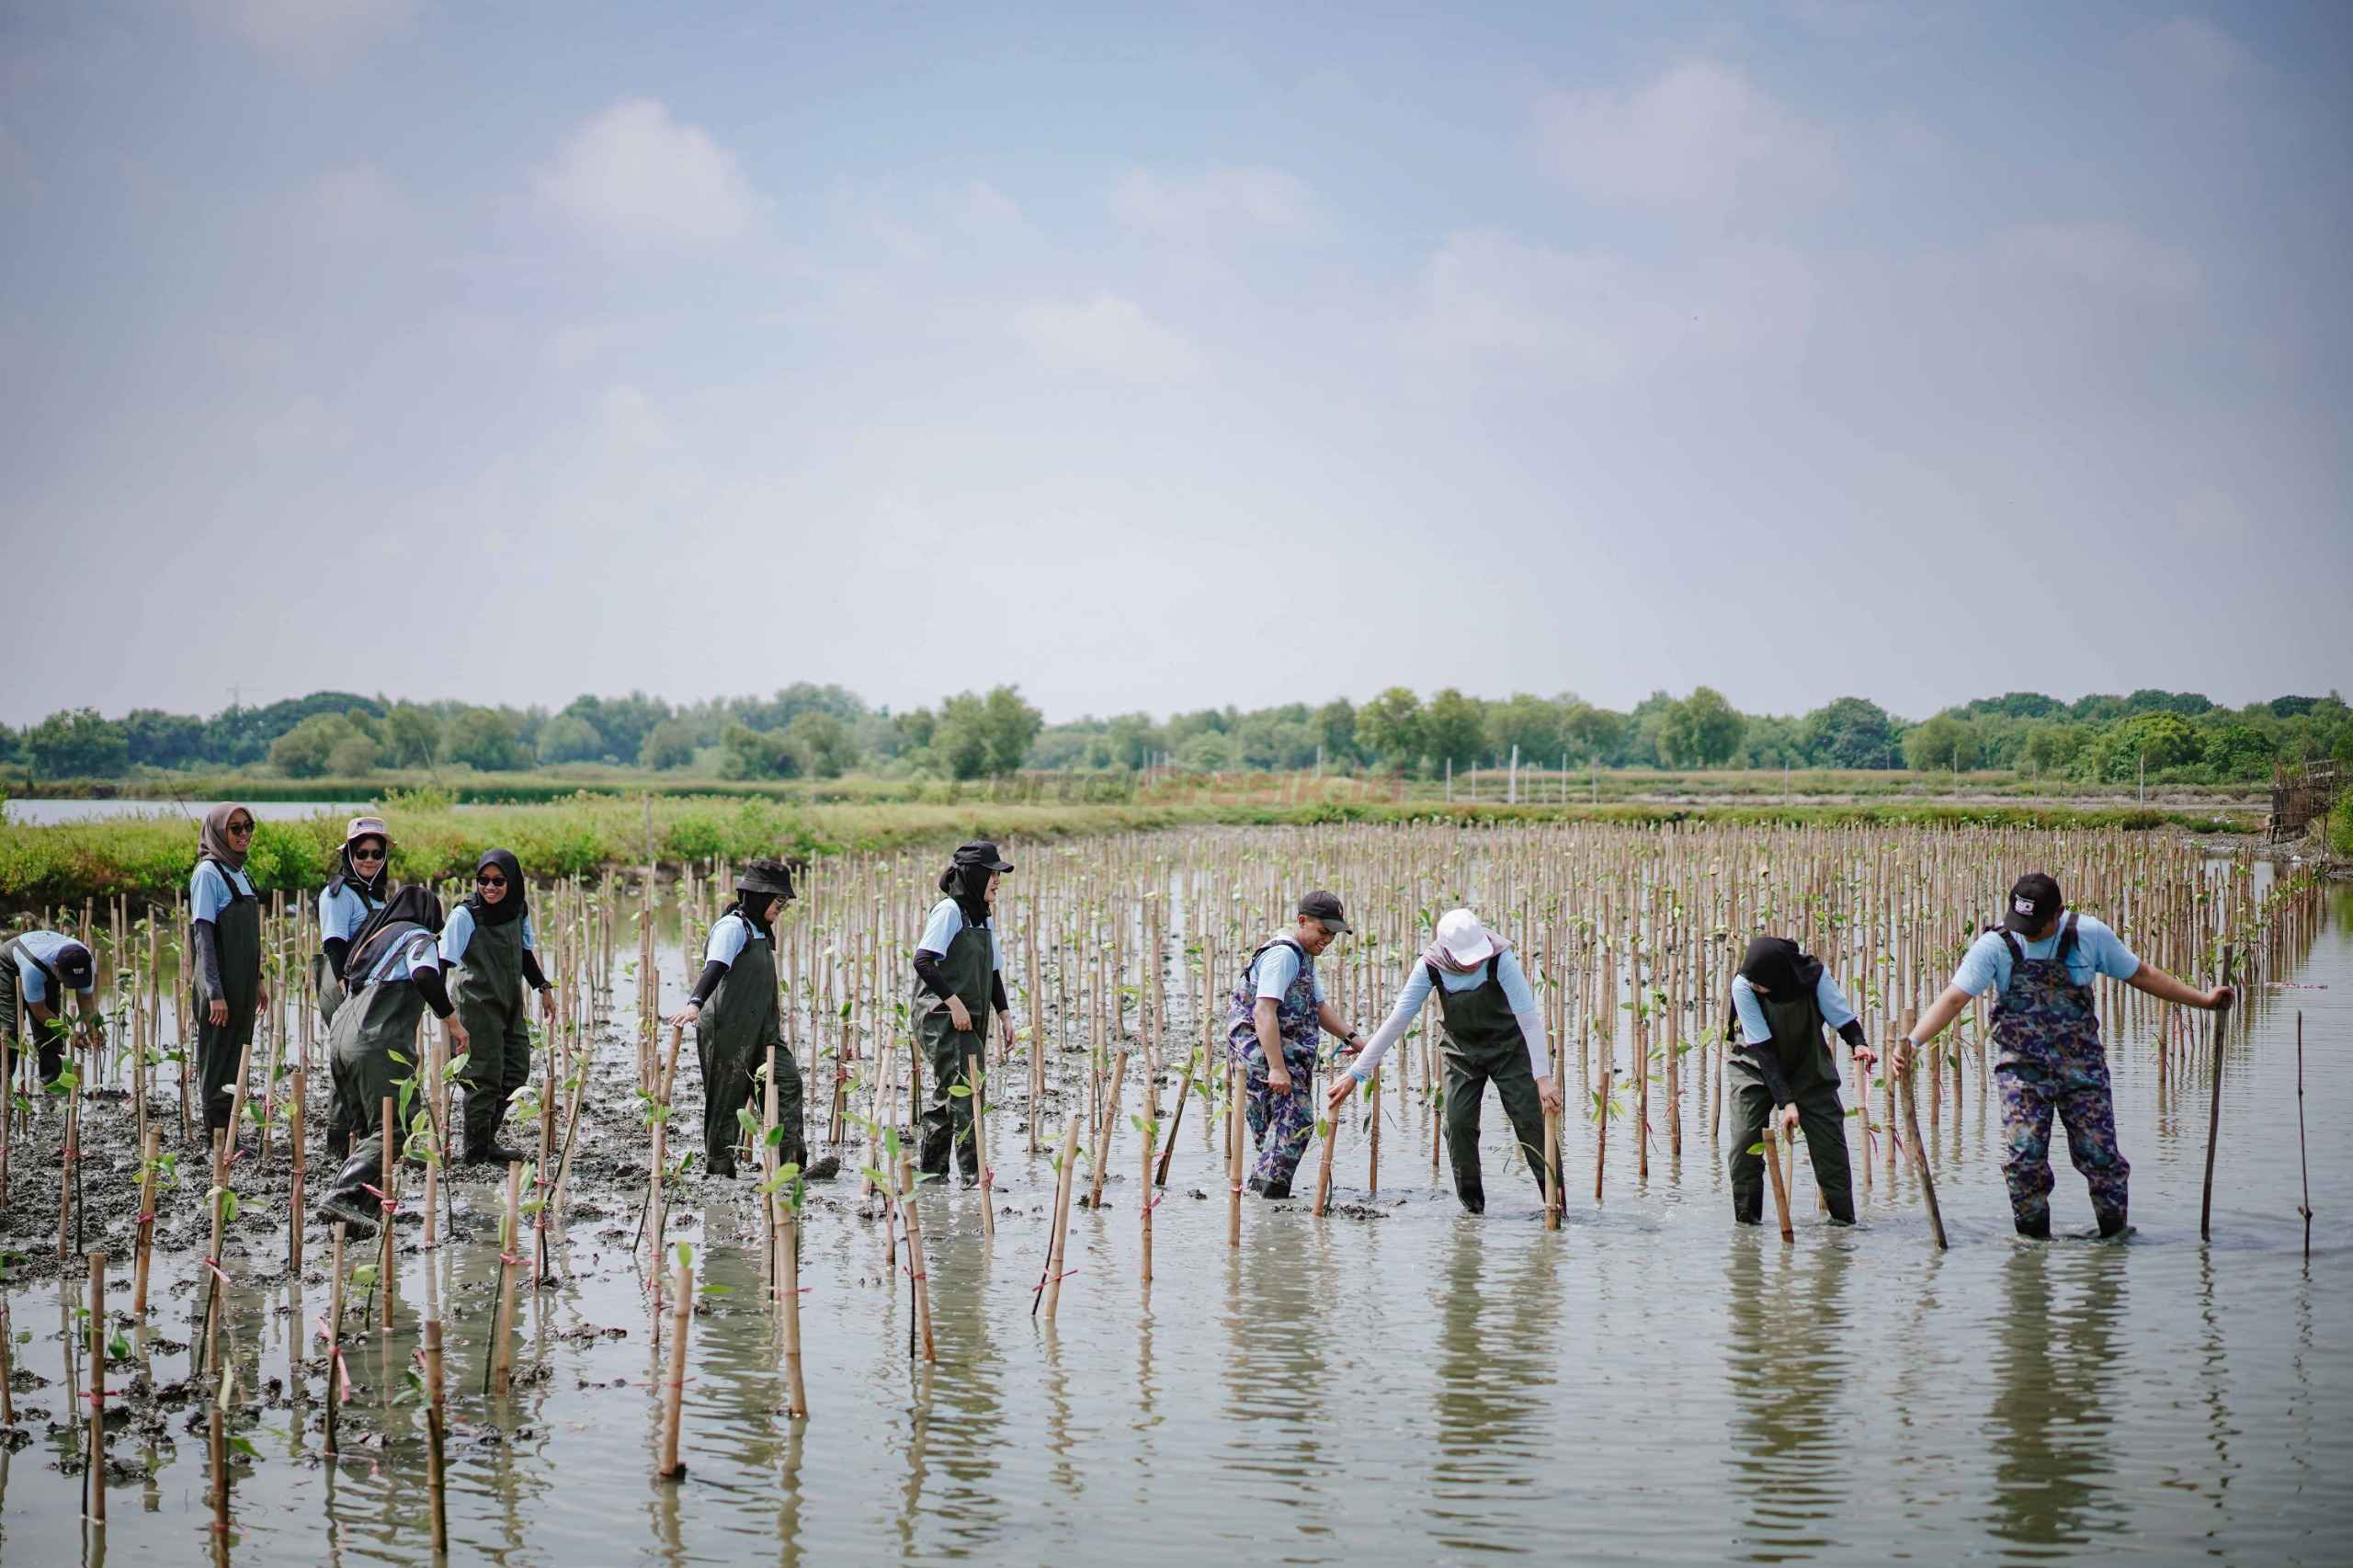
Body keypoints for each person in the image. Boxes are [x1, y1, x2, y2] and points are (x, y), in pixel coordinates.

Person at [1894, 871, 2233, 1238]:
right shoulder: (1995, 945)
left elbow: (2142, 975)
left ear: (2058, 913)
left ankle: (2114, 1244)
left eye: (2036, 925)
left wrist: (2204, 1000)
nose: (2027, 933)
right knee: (2025, 1162)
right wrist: (1912, 1043)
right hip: (2022, 1074)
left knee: (2101, 1159)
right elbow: (1954, 998)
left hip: (2083, 1070)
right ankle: (2032, 1249)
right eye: (2021, 924)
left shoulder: (2089, 935)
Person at [1330, 908, 1561, 1214]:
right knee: (1458, 1124)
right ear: (1448, 951)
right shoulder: (1430, 966)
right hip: (1461, 1053)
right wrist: (1355, 1074)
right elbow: (1398, 1020)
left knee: (1531, 1122)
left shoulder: (1500, 957)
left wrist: (1543, 1079)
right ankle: (1472, 1212)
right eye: (1467, 958)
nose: (1474, 962)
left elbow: (1529, 1020)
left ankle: (1556, 1205)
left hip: (1510, 1050)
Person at [669, 858, 839, 1182]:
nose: (782, 909)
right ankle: (720, 1174)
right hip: (727, 1030)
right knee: (727, 1101)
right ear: (760, 897)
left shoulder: (760, 930)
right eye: (779, 901)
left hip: (763, 1031)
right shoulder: (733, 928)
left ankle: (791, 1168)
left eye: (785, 903)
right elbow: (715, 967)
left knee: (787, 1082)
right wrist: (694, 1003)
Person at [318, 885, 462, 1235]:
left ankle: (360, 1214)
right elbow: (425, 975)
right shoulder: (418, 937)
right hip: (375, 1041)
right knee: (397, 1128)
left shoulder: (373, 941)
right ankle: (342, 1195)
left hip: (341, 1038)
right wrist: (453, 1022)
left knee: (370, 1131)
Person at [1724, 935, 1874, 1227]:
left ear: (1780, 976)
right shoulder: (1743, 985)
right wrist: (1787, 1103)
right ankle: (1747, 1228)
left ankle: (1843, 1226)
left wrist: (1859, 1043)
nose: (1754, 986)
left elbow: (1842, 1018)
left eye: (1760, 984)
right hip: (1754, 1065)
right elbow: (1764, 1050)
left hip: (1808, 1063)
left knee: (1830, 1146)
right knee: (1744, 1144)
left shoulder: (1814, 977)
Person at [1226, 891, 1367, 1199]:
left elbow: (1318, 1007)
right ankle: (1269, 1203)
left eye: (1333, 934)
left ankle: (1264, 1209)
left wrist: (1355, 1041)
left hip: (1279, 1056)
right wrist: (1277, 1068)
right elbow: (1264, 1012)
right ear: (1302, 921)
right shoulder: (1284, 956)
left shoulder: (1302, 955)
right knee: (1295, 1125)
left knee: (1274, 1140)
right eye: (1323, 931)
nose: (1328, 940)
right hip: (1263, 1058)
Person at [910, 841, 1017, 1185]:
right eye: (992, 874)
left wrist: (1004, 1014)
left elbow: (993, 971)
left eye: (999, 875)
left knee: (952, 1090)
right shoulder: (949, 911)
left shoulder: (982, 918)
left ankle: (931, 1174)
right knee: (968, 1088)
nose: (997, 881)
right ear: (973, 876)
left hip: (970, 1013)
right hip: (941, 1012)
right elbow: (923, 961)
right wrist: (954, 1004)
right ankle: (973, 1178)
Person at [441, 848, 555, 1166]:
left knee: (516, 1070)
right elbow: (441, 963)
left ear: (513, 882)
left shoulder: (518, 909)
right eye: (483, 880)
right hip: (475, 1006)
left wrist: (543, 987)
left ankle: (487, 1139)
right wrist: (448, 1016)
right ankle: (476, 1152)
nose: (490, 887)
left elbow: (525, 953)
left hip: (509, 1002)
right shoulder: (465, 915)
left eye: (498, 881)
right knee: (482, 1078)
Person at [191, 802, 268, 1145]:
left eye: (248, 826)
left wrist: (258, 980)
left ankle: (230, 1132)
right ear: (218, 832)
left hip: (243, 984)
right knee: (217, 1058)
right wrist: (215, 993)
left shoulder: (240, 871)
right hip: (219, 986)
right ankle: (217, 1135)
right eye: (235, 828)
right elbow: (203, 937)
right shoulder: (208, 873)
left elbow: (250, 938)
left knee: (237, 1056)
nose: (243, 834)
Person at [315, 814, 392, 1028]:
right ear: (349, 855)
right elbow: (334, 945)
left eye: (377, 854)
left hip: (375, 991)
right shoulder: (338, 894)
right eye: (362, 853)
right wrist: (346, 994)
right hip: (351, 992)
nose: (370, 860)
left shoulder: (377, 894)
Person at [0, 928, 101, 1085]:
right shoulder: (33, 968)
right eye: (69, 980)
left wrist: (92, 1029)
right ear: (56, 967)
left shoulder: (85, 961)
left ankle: (52, 1086)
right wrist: (69, 1033)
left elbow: (86, 999)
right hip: (10, 965)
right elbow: (39, 1010)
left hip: (44, 962)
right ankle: (4, 1086)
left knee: (50, 1033)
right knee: (10, 1031)